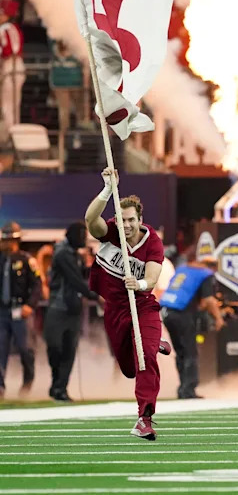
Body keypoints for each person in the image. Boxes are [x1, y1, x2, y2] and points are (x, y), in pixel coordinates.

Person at [84, 170, 172, 440]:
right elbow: (90, 220)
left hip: (142, 305)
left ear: (140, 220)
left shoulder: (152, 242)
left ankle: (144, 417)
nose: (127, 225)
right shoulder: (111, 232)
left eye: (131, 220)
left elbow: (153, 276)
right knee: (129, 367)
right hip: (115, 310)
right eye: (122, 220)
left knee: (144, 358)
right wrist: (107, 189)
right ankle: (150, 342)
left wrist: (142, 285)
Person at [44, 222, 104, 402]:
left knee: (69, 350)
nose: (84, 239)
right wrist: (97, 296)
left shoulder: (75, 255)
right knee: (55, 347)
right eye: (82, 235)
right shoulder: (63, 254)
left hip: (73, 309)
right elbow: (75, 280)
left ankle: (60, 388)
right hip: (58, 307)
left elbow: (82, 275)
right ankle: (57, 384)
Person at [158, 253, 224, 399]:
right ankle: (188, 390)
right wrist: (218, 318)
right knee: (190, 352)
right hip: (182, 313)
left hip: (166, 311)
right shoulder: (206, 274)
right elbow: (209, 301)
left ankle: (182, 388)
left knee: (181, 352)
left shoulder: (183, 269)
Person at [0, 222, 40, 399]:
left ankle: (27, 383)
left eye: (11, 240)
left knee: (25, 349)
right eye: (5, 240)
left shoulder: (26, 260)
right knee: (0, 351)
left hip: (20, 309)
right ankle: (0, 388)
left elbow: (37, 285)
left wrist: (30, 305)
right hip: (2, 311)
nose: (8, 244)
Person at [0, 0, 24, 135]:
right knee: (15, 104)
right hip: (19, 65)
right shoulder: (16, 28)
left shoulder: (3, 29)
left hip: (9, 65)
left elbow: (5, 50)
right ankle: (16, 133)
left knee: (7, 105)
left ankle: (11, 135)